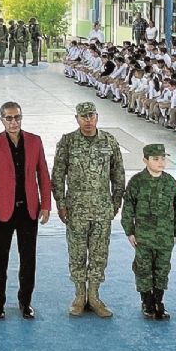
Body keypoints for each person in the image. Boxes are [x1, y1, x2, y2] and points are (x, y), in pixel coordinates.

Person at [51, 101, 125, 318]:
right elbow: (57, 175)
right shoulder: (68, 142)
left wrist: (115, 203)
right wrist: (61, 204)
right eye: (83, 117)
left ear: (97, 116)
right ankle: (79, 295)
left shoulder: (109, 141)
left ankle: (94, 295)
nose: (88, 120)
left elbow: (118, 175)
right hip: (76, 209)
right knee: (76, 253)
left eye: (91, 115)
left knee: (99, 253)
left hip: (102, 208)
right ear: (77, 119)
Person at [0, 101, 52, 319]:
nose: (14, 122)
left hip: (29, 210)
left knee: (28, 259)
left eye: (17, 117)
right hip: (2, 211)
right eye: (9, 118)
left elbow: (43, 175)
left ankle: (25, 302)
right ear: (2, 120)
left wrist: (46, 205)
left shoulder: (35, 141)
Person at [121, 144, 176, 320]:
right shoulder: (137, 182)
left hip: (165, 236)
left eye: (163, 158)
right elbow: (128, 208)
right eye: (156, 159)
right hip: (143, 236)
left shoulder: (170, 182)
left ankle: (159, 301)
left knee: (162, 269)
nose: (161, 162)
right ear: (145, 160)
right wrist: (129, 231)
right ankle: (147, 301)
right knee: (143, 268)